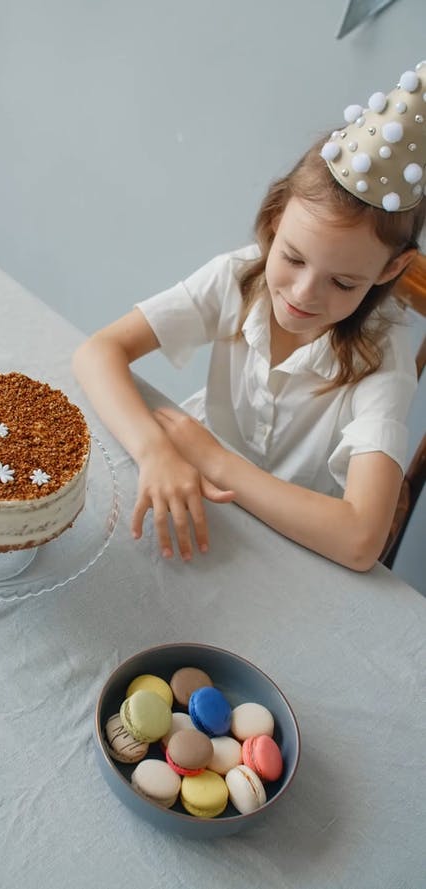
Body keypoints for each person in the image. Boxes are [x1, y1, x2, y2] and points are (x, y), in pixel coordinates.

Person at [73, 62, 426, 571]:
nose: (303, 293)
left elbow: (361, 539)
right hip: (187, 484)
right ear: (276, 218)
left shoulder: (381, 357)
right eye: (293, 257)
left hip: (293, 542)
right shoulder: (239, 277)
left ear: (394, 267)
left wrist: (217, 462)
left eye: (344, 283)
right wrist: (154, 451)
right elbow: (96, 353)